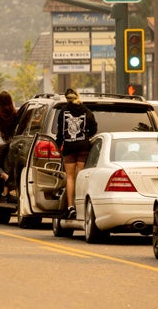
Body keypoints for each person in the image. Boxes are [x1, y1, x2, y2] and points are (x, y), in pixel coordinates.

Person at [56, 88, 97, 219]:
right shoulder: (86, 111)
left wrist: (59, 145)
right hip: (83, 146)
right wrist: (85, 137)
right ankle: (81, 206)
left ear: (66, 98)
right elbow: (94, 128)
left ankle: (71, 207)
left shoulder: (63, 112)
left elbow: (60, 132)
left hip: (69, 146)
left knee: (70, 178)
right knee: (81, 176)